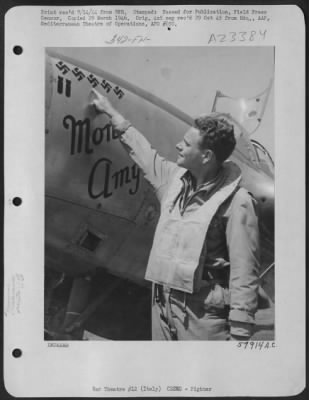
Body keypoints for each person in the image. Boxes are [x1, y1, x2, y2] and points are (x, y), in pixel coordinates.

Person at [90, 88, 260, 341]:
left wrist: (240, 332)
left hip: (204, 316)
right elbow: (143, 152)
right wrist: (111, 112)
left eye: (187, 144)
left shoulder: (238, 202)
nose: (178, 145)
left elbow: (244, 271)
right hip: (161, 305)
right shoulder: (171, 179)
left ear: (206, 156)